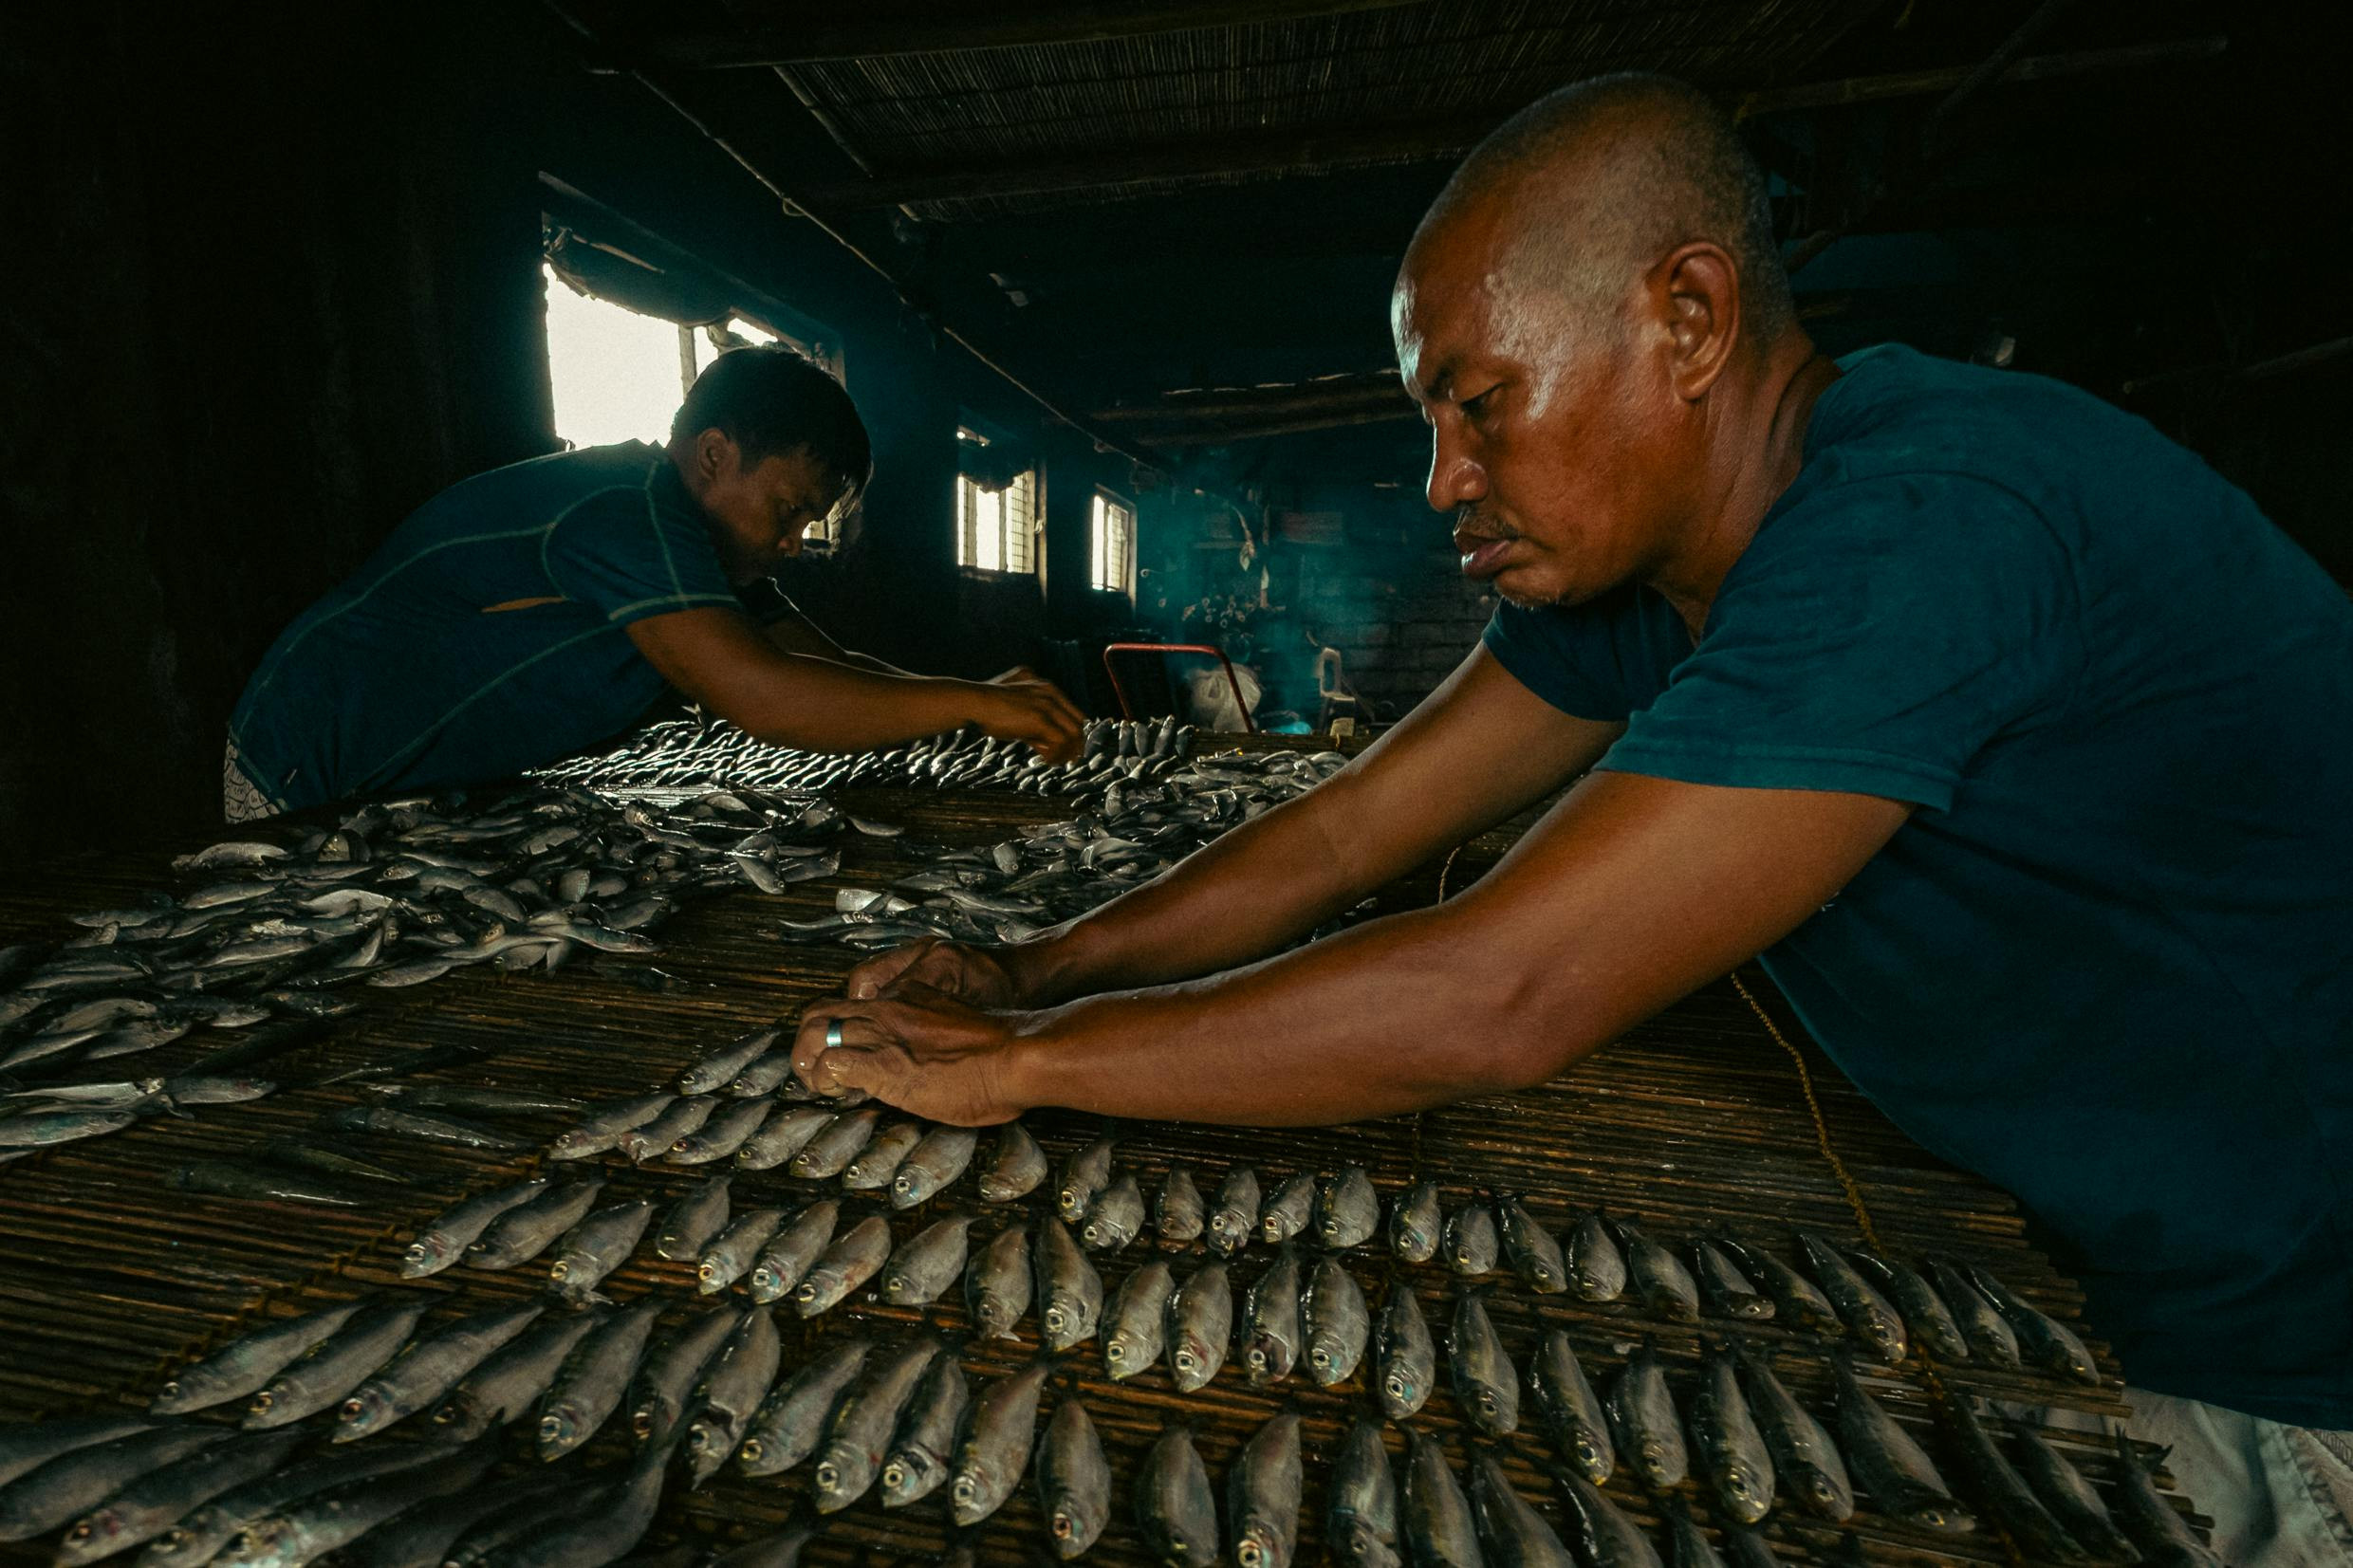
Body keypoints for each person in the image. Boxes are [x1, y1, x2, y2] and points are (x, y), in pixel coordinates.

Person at [792, 75, 2353, 1562]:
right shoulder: (1659, 572)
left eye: (1479, 403)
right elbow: (1349, 832)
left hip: (2298, 1347)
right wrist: (1033, 971)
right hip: (2147, 1259)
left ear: (1689, 318)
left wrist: (1027, 1071)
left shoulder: (1926, 519)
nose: (1440, 476)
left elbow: (1496, 992)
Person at [226, 345, 1084, 820]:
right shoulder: (624, 510)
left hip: (420, 788)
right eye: (786, 509)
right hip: (309, 762)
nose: (791, 543)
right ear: (714, 456)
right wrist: (971, 704)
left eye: (806, 524)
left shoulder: (711, 560)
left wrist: (970, 695)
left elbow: (831, 670)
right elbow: (766, 698)